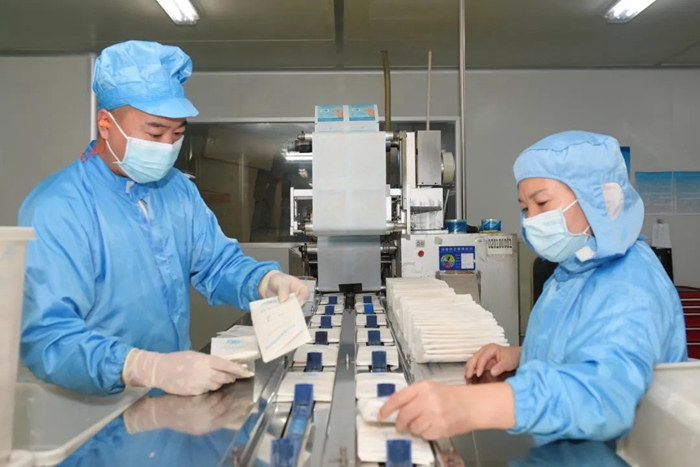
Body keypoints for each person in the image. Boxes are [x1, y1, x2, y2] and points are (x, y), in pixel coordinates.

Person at [19, 40, 309, 397]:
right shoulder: (59, 207)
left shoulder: (176, 190)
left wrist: (264, 281)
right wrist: (141, 366)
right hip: (93, 408)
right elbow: (48, 338)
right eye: (155, 133)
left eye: (178, 134)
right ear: (105, 123)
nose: (167, 146)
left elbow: (217, 264)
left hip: (171, 398)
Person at [379, 131, 687, 444]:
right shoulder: (575, 269)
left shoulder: (631, 285)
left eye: (542, 203)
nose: (531, 220)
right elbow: (582, 345)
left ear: (599, 199)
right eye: (526, 208)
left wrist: (473, 405)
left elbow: (603, 396)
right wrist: (521, 356)